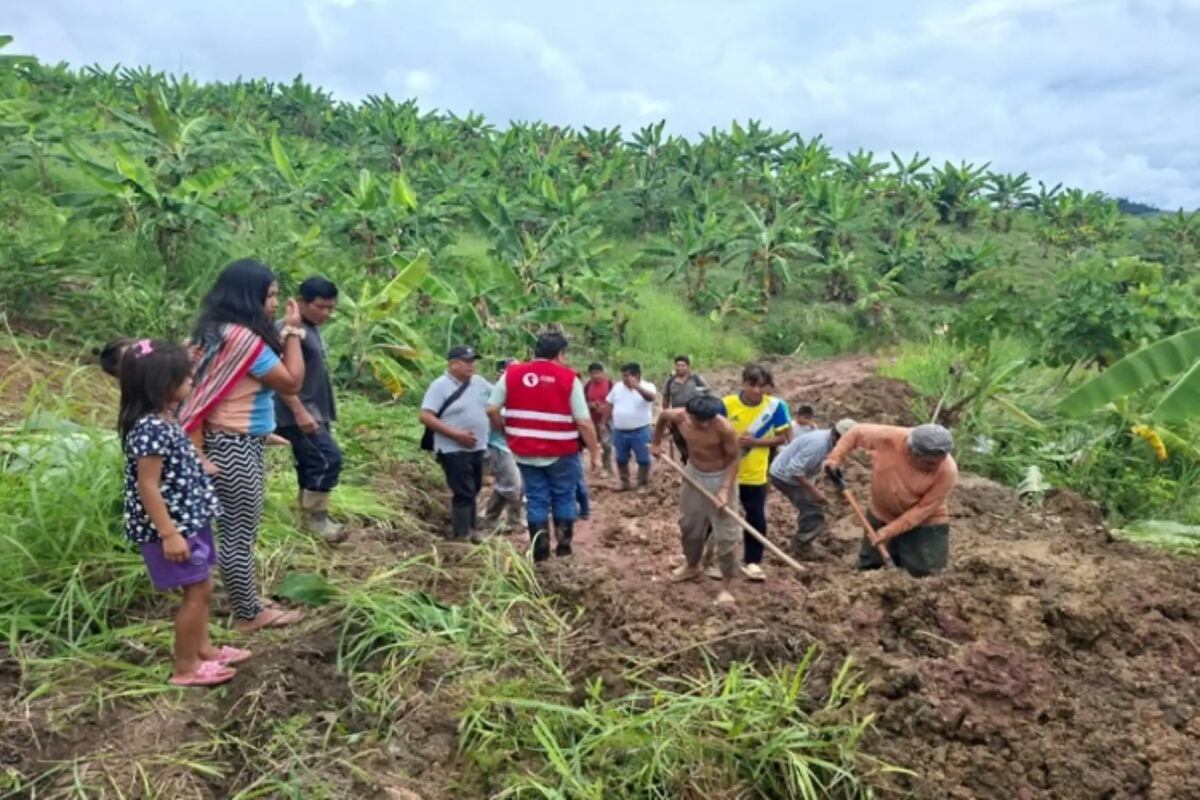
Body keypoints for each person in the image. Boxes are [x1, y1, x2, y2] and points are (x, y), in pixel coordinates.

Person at [180, 259, 307, 633]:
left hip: (222, 440)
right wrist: (294, 334)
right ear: (248, 296)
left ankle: (246, 598)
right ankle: (250, 614)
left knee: (235, 528)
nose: (273, 304)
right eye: (269, 296)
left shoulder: (210, 333)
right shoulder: (243, 340)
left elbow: (218, 393)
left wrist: (261, 432)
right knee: (239, 531)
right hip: (231, 445)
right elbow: (291, 382)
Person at [118, 339, 251, 686]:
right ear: (162, 384)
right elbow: (148, 485)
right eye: (185, 377)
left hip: (190, 519)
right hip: (173, 526)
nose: (192, 382)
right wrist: (169, 533)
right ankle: (185, 668)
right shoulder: (151, 428)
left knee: (203, 586)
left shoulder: (165, 417)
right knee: (196, 591)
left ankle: (204, 649)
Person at [487, 331, 601, 561]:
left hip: (525, 451)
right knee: (564, 497)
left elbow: (491, 408)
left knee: (536, 499)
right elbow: (584, 421)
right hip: (561, 451)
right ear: (560, 354)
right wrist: (595, 452)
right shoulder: (568, 378)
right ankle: (564, 549)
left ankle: (539, 554)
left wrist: (504, 430)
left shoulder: (512, 374)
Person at [822, 423, 958, 578]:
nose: (935, 466)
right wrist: (834, 458)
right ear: (912, 452)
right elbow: (856, 432)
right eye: (929, 463)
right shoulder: (891, 438)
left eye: (940, 460)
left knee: (925, 573)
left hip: (924, 523)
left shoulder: (947, 471)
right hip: (881, 512)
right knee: (870, 563)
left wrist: (889, 531)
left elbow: (923, 510)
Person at [274, 277, 345, 544]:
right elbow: (277, 375)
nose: (326, 313)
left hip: (316, 409)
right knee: (328, 458)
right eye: (320, 306)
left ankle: (309, 518)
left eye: (331, 308)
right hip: (298, 412)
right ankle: (317, 520)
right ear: (301, 302)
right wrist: (299, 411)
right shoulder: (288, 330)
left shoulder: (311, 328)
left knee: (311, 462)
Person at [652, 394, 741, 606]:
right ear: (689, 414)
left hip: (720, 478)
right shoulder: (679, 416)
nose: (704, 424)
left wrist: (724, 490)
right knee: (689, 525)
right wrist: (656, 442)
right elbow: (663, 417)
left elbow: (734, 459)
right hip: (693, 474)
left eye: (708, 419)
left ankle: (726, 586)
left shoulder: (724, 428)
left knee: (726, 535)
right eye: (699, 420)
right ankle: (692, 565)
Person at [719, 363, 792, 581]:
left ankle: (752, 561)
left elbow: (784, 437)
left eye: (762, 386)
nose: (757, 391)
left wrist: (756, 442)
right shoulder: (726, 404)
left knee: (756, 519)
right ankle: (712, 560)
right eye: (752, 385)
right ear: (743, 383)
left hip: (755, 474)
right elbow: (712, 432)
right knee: (717, 517)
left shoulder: (776, 407)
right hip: (725, 473)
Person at [419, 346, 492, 542]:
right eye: (467, 362)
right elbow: (426, 416)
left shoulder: (479, 383)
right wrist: (456, 434)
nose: (471, 365)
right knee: (463, 490)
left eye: (472, 361)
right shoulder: (439, 386)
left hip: (477, 446)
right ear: (453, 364)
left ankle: (472, 529)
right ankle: (462, 534)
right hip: (452, 448)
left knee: (474, 487)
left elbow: (496, 399)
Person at [769, 418, 857, 551]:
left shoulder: (831, 440)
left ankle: (802, 543)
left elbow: (830, 461)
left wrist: (839, 482)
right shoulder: (818, 446)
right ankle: (801, 546)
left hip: (797, 472)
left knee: (811, 504)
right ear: (836, 436)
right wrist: (814, 492)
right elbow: (794, 470)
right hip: (784, 476)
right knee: (813, 512)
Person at [481, 359, 524, 533]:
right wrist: (504, 428)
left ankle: (495, 518)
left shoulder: (516, 392)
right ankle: (508, 520)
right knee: (513, 484)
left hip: (512, 445)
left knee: (511, 484)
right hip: (498, 444)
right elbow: (490, 414)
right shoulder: (493, 392)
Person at [607, 362, 657, 491]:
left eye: (627, 376)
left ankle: (642, 484)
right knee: (621, 458)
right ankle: (624, 482)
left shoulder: (648, 386)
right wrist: (604, 421)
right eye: (623, 376)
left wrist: (637, 387)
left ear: (637, 375)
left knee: (643, 459)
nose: (624, 379)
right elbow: (609, 404)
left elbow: (651, 398)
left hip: (641, 430)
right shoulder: (617, 387)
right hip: (619, 430)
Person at [662, 355, 709, 464]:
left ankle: (696, 461)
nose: (680, 368)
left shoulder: (695, 378)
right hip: (677, 417)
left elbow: (708, 391)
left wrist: (698, 393)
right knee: (679, 439)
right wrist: (667, 416)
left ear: (688, 367)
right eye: (678, 365)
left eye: (683, 365)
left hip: (694, 417)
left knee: (695, 440)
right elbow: (665, 400)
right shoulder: (670, 381)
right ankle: (686, 460)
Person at [583, 362, 614, 473]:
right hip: (592, 418)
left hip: (606, 419)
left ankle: (607, 467)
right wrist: (590, 405)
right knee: (592, 442)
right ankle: (594, 465)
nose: (594, 376)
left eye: (597, 373)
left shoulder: (609, 384)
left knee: (606, 443)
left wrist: (605, 408)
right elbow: (582, 401)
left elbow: (615, 402)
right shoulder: (587, 386)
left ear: (602, 372)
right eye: (592, 374)